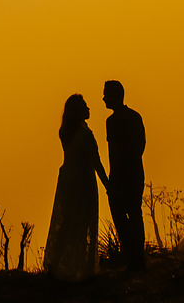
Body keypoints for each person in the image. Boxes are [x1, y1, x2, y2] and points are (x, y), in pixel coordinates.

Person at [44, 94, 109, 282]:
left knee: (67, 223)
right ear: (80, 111)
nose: (89, 108)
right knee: (82, 223)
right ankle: (80, 268)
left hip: (67, 180)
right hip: (83, 182)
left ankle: (58, 264)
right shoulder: (85, 134)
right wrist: (107, 184)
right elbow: (96, 162)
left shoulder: (65, 132)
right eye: (85, 106)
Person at [104, 80, 146, 269]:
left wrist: (116, 176)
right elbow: (141, 144)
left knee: (126, 216)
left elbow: (116, 152)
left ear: (115, 96)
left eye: (106, 94)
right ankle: (135, 257)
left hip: (125, 175)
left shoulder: (114, 122)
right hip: (133, 172)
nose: (103, 98)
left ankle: (134, 257)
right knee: (133, 214)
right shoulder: (133, 117)